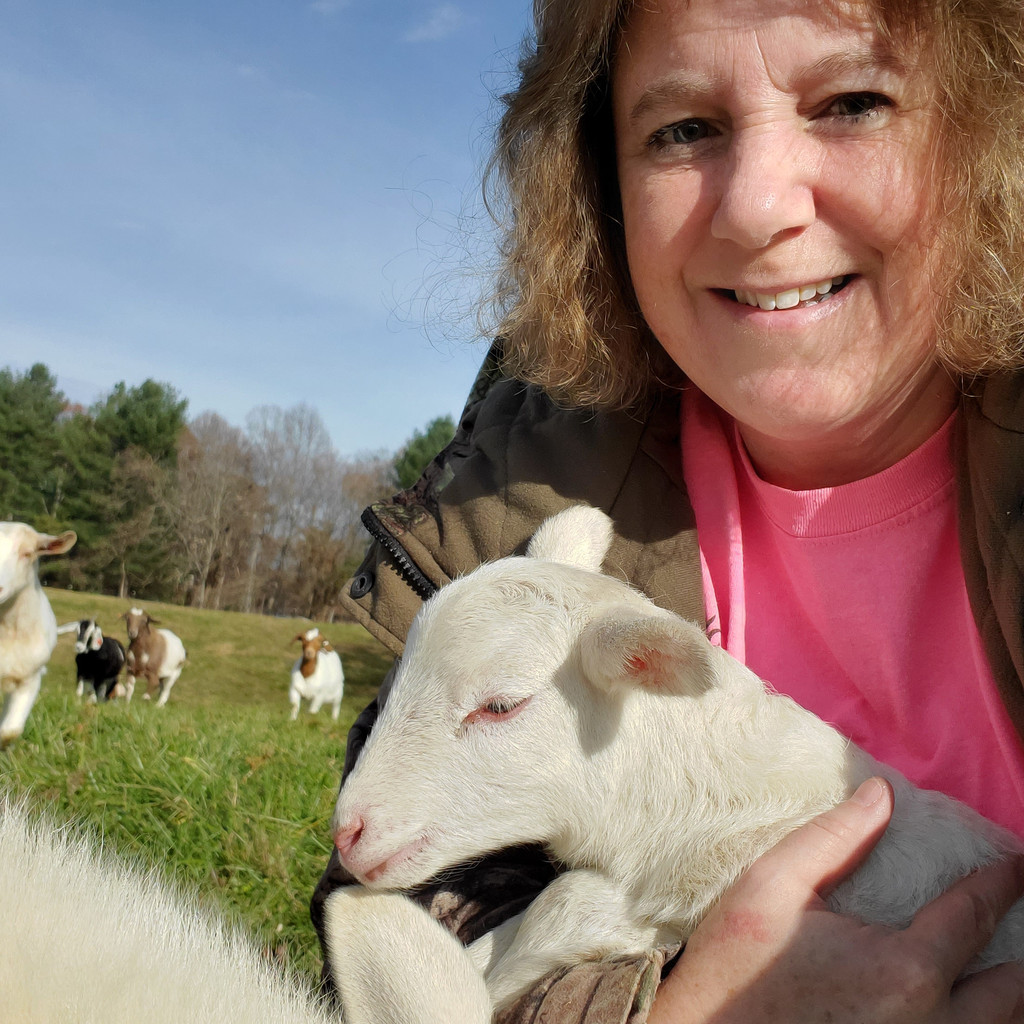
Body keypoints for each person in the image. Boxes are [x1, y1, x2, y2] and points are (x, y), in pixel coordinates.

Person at [312, 0, 1024, 1019]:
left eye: (852, 102)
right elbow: (386, 962)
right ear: (599, 186)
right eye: (683, 129)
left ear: (989, 130)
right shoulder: (518, 503)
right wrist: (679, 1008)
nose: (758, 209)